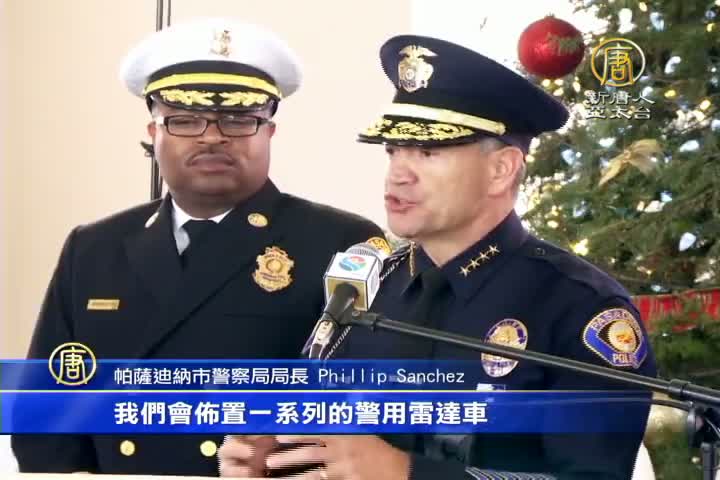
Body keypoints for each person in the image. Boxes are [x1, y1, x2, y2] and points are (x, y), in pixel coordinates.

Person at [219, 35, 657, 480]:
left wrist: (406, 472)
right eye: (393, 151)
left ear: (501, 169)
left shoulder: (580, 308)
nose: (398, 174)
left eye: (427, 152)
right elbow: (319, 437)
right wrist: (270, 456)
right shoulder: (366, 290)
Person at [12, 18, 384, 476]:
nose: (212, 136)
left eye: (238, 119)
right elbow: (45, 414)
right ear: (154, 133)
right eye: (185, 120)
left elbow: (374, 411)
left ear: (269, 131)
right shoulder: (93, 248)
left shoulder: (342, 244)